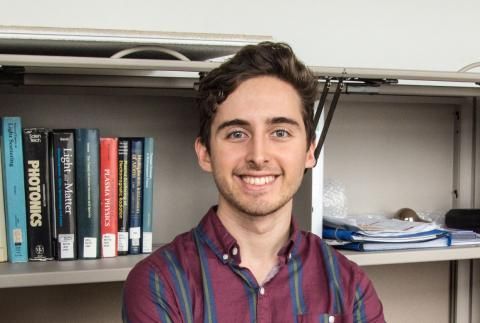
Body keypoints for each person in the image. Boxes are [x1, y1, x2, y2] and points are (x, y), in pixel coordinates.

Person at [123, 42, 385, 323]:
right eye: (237, 134)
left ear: (310, 151)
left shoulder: (350, 285)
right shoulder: (160, 284)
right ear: (205, 153)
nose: (258, 156)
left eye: (280, 132)